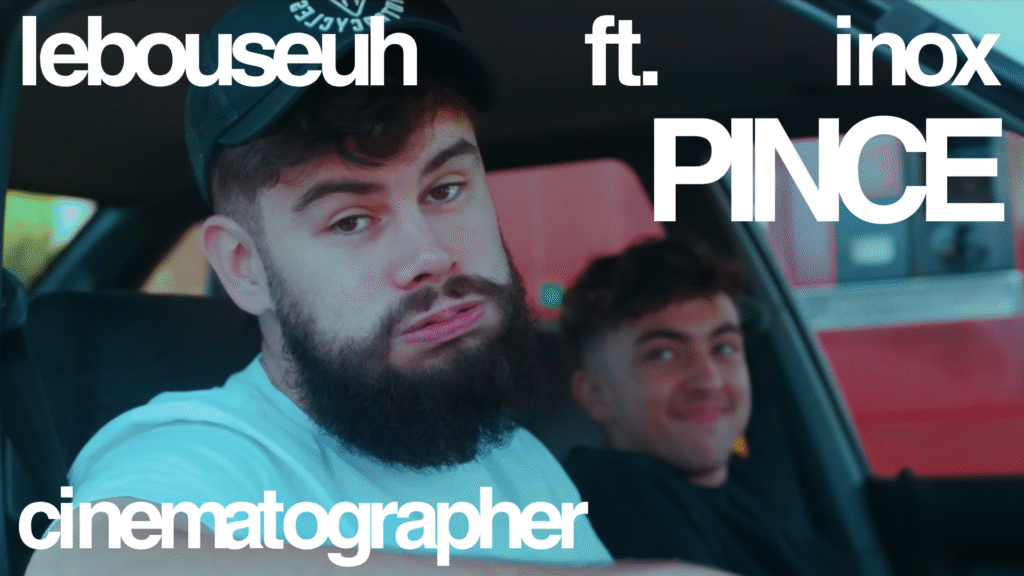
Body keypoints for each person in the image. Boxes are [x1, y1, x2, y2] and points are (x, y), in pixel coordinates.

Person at [26, 2, 734, 575]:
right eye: (351, 220)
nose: (429, 255)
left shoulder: (512, 456)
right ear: (244, 267)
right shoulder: (213, 451)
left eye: (446, 189)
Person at [560, 238, 856, 576]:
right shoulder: (616, 491)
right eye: (662, 354)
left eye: (723, 348)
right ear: (596, 395)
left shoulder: (748, 486)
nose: (708, 379)